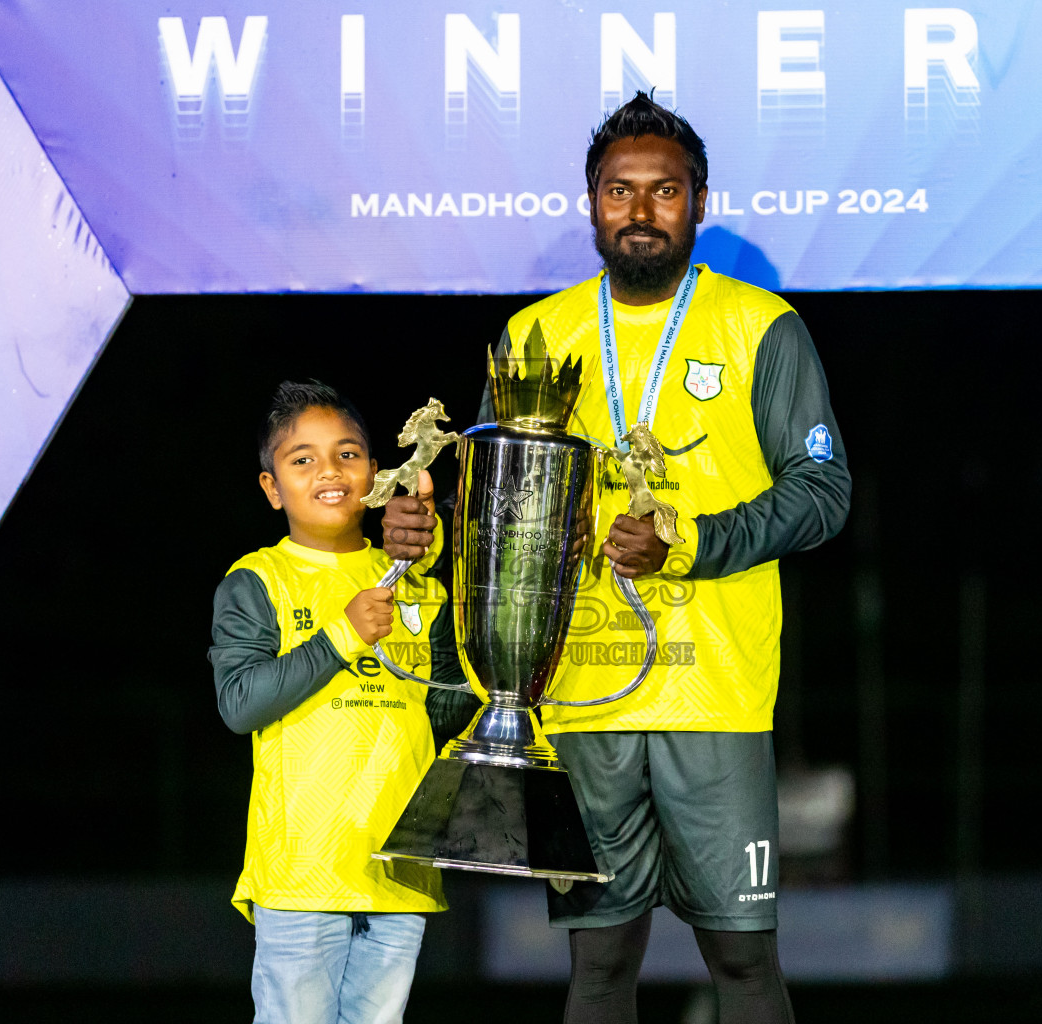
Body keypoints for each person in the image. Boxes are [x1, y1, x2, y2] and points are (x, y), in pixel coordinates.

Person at [383, 93, 850, 1024]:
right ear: (590, 203)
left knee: (744, 960)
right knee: (598, 967)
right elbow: (491, 515)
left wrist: (693, 543)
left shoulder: (763, 329)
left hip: (714, 699)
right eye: (619, 192)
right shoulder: (533, 337)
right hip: (579, 692)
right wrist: (425, 539)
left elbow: (823, 495)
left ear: (699, 203)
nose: (640, 212)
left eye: (664, 191)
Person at [209, 380, 478, 1024]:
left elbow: (441, 709)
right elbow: (240, 703)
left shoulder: (419, 584)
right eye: (302, 460)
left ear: (378, 475)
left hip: (396, 870)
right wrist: (343, 635)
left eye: (348, 454)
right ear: (273, 488)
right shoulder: (257, 580)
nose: (329, 471)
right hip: (302, 876)